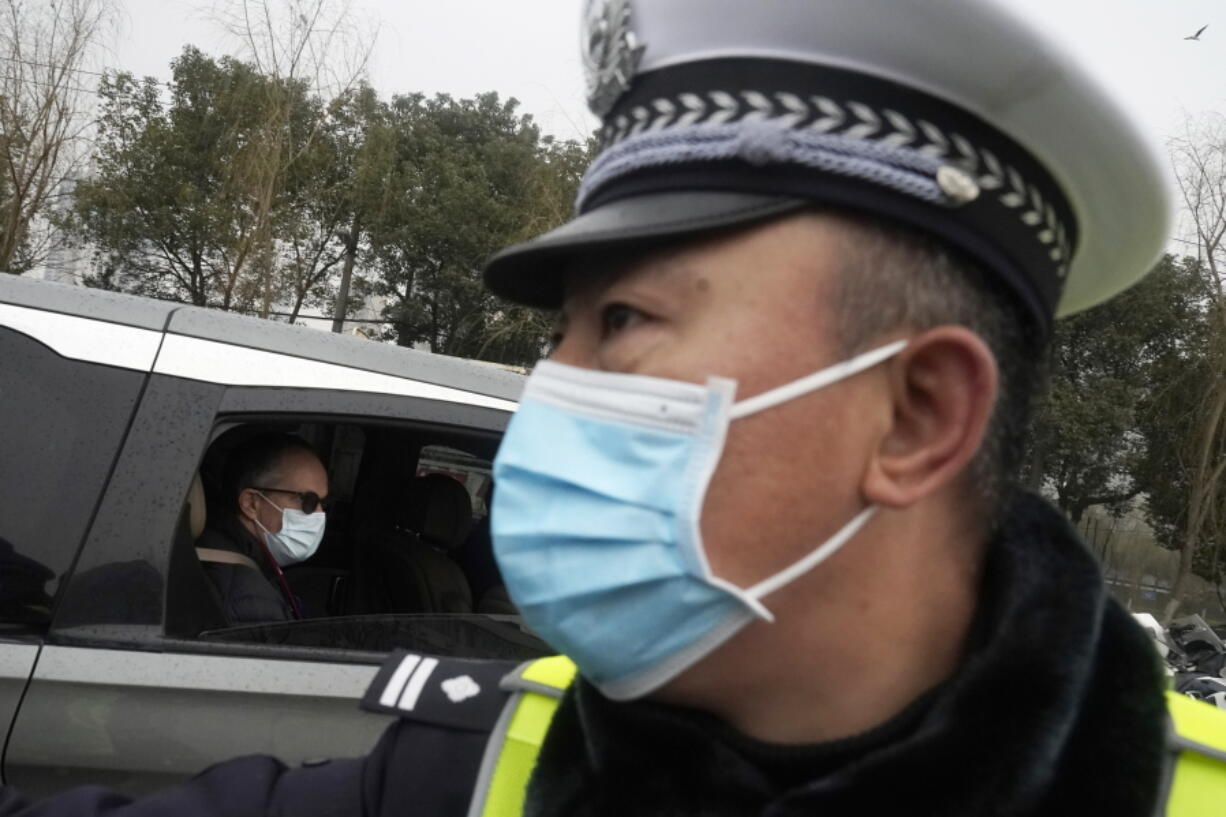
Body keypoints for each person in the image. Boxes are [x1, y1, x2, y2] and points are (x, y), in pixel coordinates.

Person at [3, 1, 1225, 815]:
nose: (551, 395)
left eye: (623, 323)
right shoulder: (484, 764)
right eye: (558, 337)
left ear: (914, 415)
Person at [197, 432, 328, 623]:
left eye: (323, 502)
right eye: (309, 501)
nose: (319, 513)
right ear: (251, 503)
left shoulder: (222, 543)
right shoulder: (252, 603)